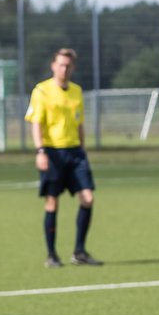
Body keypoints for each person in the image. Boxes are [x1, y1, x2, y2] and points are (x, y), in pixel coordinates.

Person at [26, 48, 102, 268]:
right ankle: (51, 255)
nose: (64, 68)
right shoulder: (42, 91)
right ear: (53, 65)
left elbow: (79, 123)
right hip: (51, 151)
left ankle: (79, 252)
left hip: (75, 152)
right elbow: (36, 123)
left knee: (88, 198)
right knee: (52, 202)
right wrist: (40, 151)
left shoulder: (76, 91)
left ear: (73, 68)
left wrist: (83, 150)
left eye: (68, 65)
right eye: (61, 64)